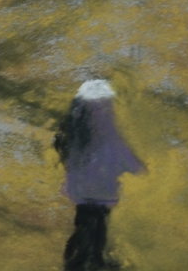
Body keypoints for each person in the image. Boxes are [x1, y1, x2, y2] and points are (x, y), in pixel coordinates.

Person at [53, 80, 144, 271]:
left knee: (85, 221)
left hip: (81, 183)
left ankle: (82, 260)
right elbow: (117, 146)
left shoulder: (74, 122)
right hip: (101, 183)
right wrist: (135, 166)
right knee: (98, 224)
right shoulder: (103, 122)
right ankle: (87, 261)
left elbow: (62, 145)